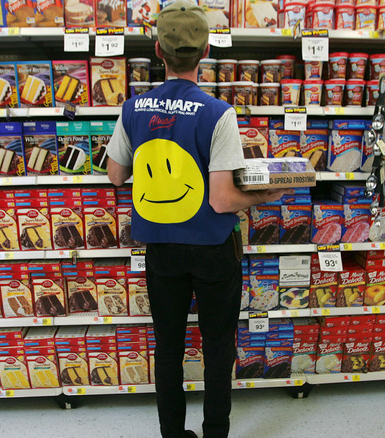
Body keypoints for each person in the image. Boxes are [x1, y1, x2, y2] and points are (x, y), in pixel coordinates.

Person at [106, 2, 291, 436]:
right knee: (217, 345)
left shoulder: (133, 108)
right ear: (205, 51)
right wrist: (269, 193)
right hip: (212, 247)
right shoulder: (217, 113)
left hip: (161, 248)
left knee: (168, 346)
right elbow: (224, 200)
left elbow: (116, 175)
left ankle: (172, 433)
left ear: (158, 51)